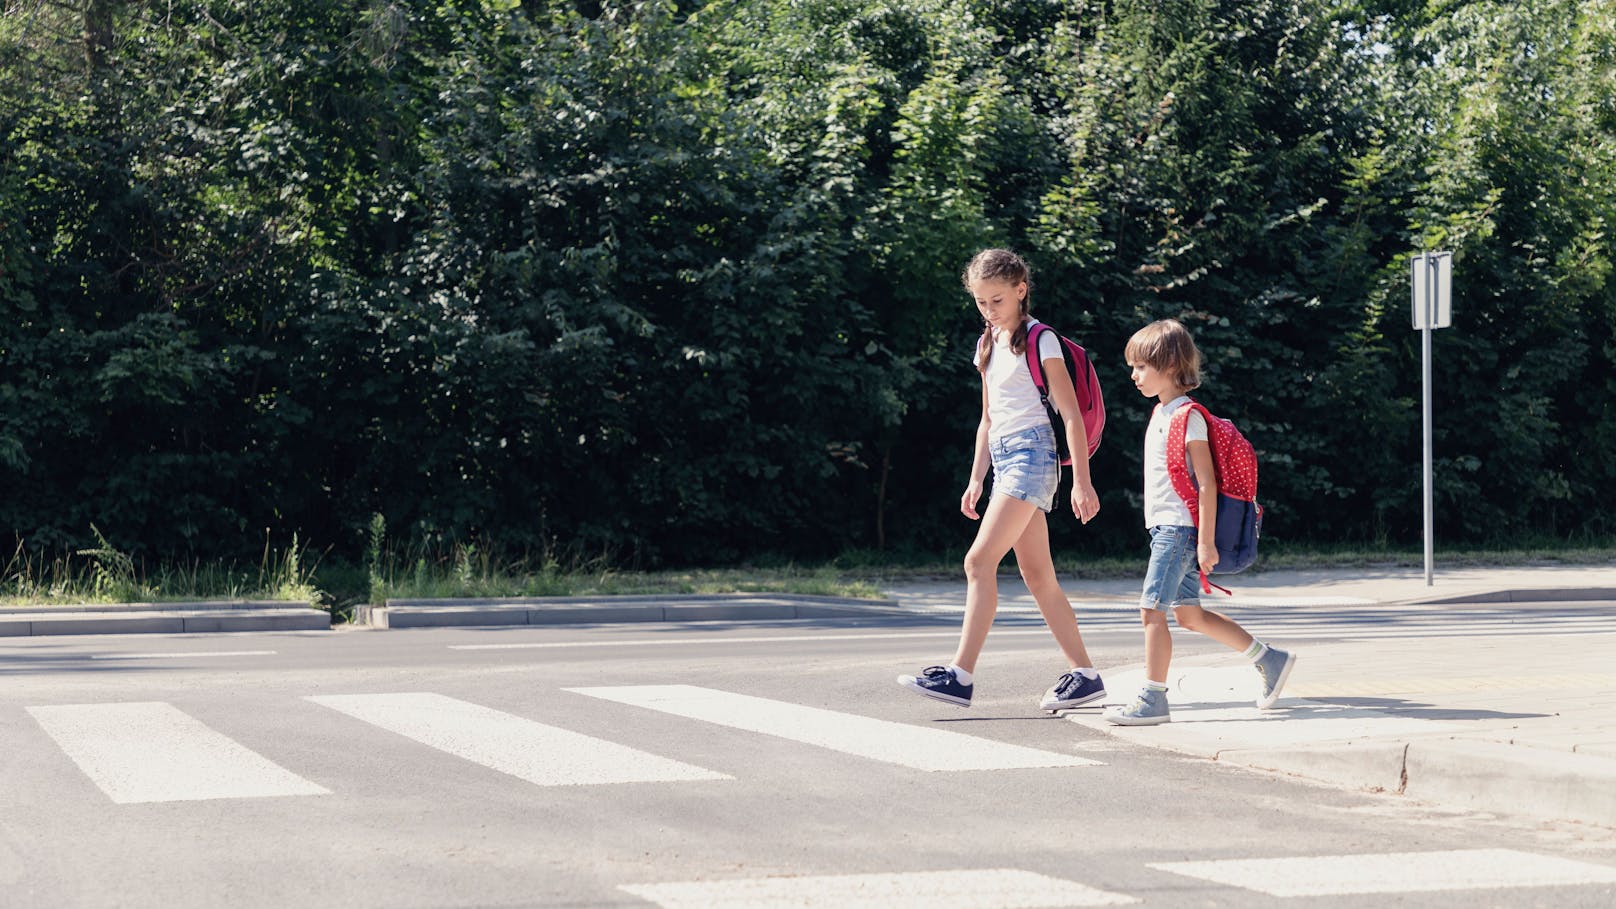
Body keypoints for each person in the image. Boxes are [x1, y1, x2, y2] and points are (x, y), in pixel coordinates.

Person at [897, 248, 1105, 711]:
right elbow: (988, 420)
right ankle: (1086, 675)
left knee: (977, 562)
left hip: (1034, 455)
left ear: (1020, 290)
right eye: (981, 302)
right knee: (1037, 577)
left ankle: (960, 676)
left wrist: (1082, 481)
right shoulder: (987, 343)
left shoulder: (1039, 339)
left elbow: (1070, 415)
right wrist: (976, 479)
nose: (990, 310)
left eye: (997, 300)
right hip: (1006, 456)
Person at [1106, 318, 1294, 726]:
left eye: (1141, 367)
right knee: (1189, 615)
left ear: (1170, 365)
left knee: (1150, 612)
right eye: (1132, 367)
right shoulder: (1161, 412)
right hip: (1166, 529)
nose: (1133, 376)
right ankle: (1270, 660)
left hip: (1178, 531)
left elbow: (1206, 484)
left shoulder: (1187, 417)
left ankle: (1154, 698)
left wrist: (1205, 542)